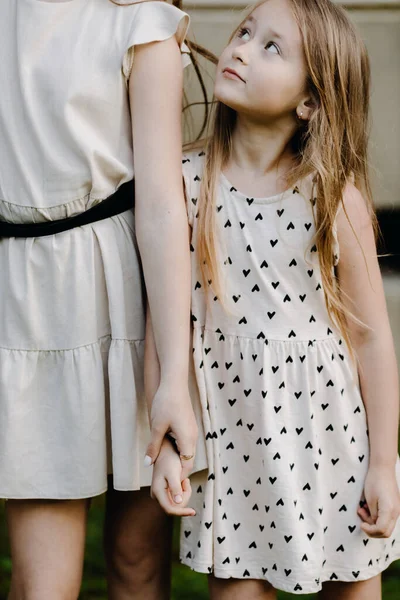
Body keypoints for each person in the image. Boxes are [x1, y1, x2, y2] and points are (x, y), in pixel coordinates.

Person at [150, 0, 400, 598]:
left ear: (309, 101)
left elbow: (371, 340)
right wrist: (167, 449)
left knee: (352, 584)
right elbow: (171, 327)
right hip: (236, 438)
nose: (238, 48)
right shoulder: (185, 184)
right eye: (243, 32)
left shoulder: (334, 198)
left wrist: (384, 464)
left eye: (271, 47)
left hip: (331, 435)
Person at [0, 0, 202, 598]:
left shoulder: (141, 20)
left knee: (135, 561)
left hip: (128, 292)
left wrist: (172, 375)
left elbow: (164, 207)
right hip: (28, 298)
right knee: (43, 583)